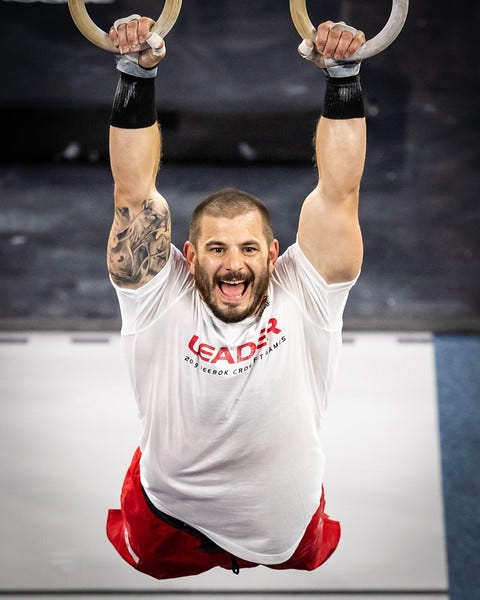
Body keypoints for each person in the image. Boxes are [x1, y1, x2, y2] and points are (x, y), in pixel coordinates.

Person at [105, 15, 366, 580]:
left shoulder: (306, 291)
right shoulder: (158, 296)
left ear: (275, 254)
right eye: (217, 249)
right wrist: (136, 72)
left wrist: (343, 78)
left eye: (248, 248)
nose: (233, 264)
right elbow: (133, 192)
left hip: (284, 530)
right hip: (167, 519)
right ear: (188, 258)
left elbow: (340, 194)